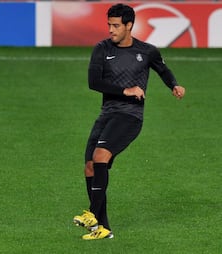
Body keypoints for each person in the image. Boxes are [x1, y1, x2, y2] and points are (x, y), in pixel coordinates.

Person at [73, 3, 186, 240]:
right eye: (109, 25)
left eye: (116, 26)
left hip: (130, 116)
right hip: (107, 114)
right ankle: (102, 229)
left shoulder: (147, 51)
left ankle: (91, 213)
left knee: (100, 155)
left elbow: (162, 70)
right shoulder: (101, 49)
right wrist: (125, 90)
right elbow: (94, 82)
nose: (111, 30)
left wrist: (174, 85)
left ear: (129, 26)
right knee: (90, 166)